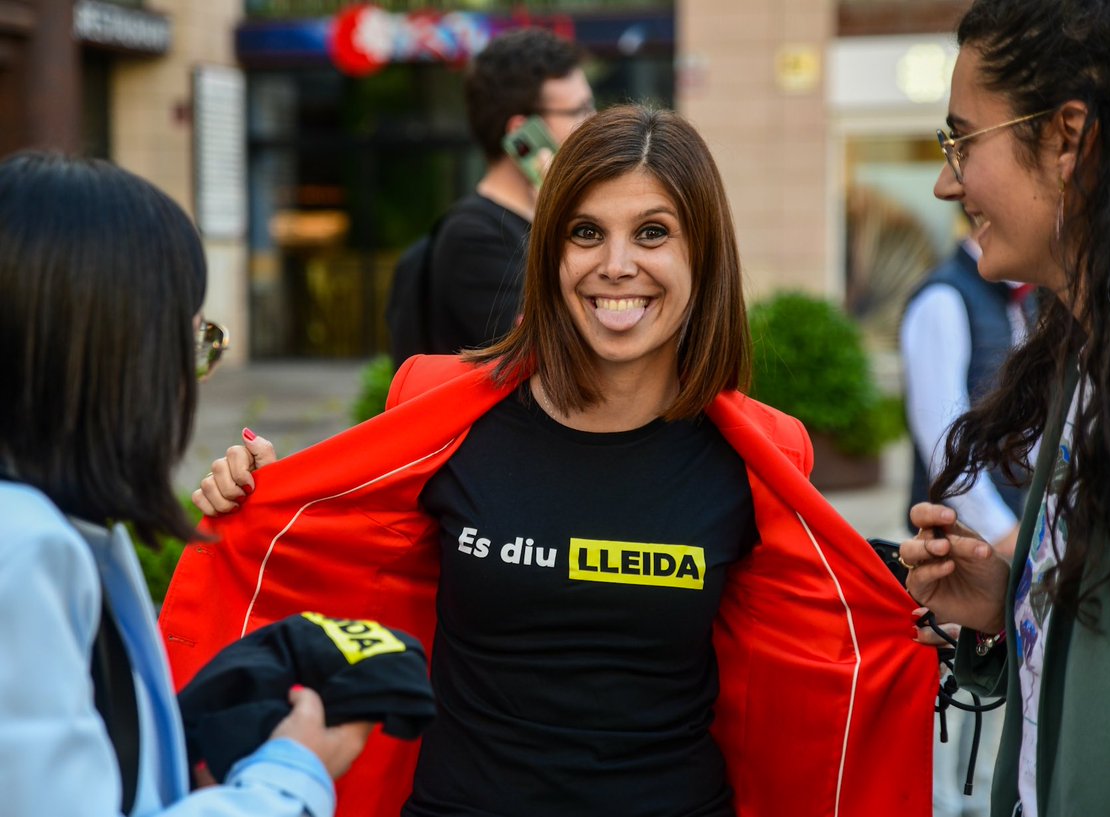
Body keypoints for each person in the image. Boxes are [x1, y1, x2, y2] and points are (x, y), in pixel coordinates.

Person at [171, 105, 937, 817]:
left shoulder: (764, 452)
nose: (615, 265)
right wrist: (260, 494)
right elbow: (336, 546)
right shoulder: (437, 406)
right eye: (584, 233)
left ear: (702, 253)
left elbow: (817, 639)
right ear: (550, 253)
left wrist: (931, 600)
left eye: (652, 233)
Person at [0, 153, 372, 817]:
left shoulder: (61, 527)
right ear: (118, 355)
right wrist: (292, 772)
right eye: (190, 340)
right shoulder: (23, 550)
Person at [899, 0, 1110, 815]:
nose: (946, 179)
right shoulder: (1087, 358)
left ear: (1068, 137)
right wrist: (1016, 600)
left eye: (963, 139)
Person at [902, 220, 1031, 817]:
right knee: (942, 701)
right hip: (952, 544)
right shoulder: (941, 298)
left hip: (1008, 536)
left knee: (996, 698)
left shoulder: (1021, 298)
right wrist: (1000, 529)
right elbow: (940, 437)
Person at [420, 27, 593, 356]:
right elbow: (548, 354)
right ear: (523, 134)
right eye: (578, 111)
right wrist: (555, 223)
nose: (593, 121)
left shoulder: (539, 220)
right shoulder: (473, 237)